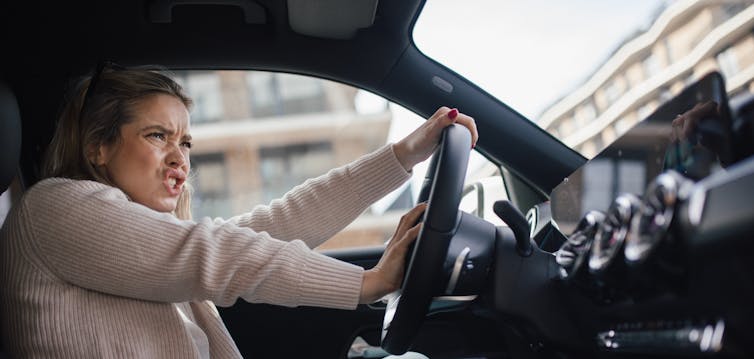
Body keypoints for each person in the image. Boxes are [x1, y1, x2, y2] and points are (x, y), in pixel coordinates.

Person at [0, 64, 478, 358]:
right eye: (157, 136)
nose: (179, 157)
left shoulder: (141, 239)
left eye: (184, 141)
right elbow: (220, 255)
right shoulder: (55, 206)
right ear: (97, 147)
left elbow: (276, 225)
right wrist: (365, 284)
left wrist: (401, 157)